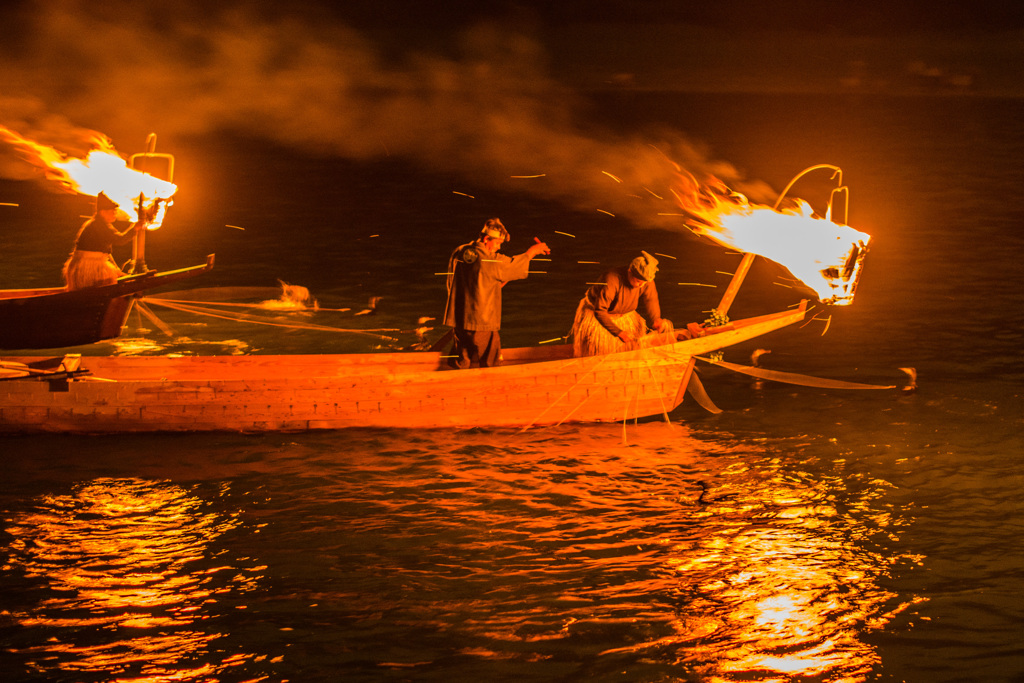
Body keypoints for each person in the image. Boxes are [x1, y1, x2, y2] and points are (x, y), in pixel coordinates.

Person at [443, 218, 550, 368]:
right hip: (482, 323)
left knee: (461, 361)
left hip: (460, 321)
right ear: (487, 239)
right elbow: (511, 266)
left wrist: (498, 281)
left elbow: (469, 282)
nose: (499, 248)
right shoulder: (488, 259)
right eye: (498, 243)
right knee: (491, 363)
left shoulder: (460, 252)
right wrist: (531, 252)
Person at [570, 250, 679, 357]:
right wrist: (619, 332)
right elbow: (600, 311)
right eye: (637, 281)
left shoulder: (646, 280)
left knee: (633, 352)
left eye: (644, 282)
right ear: (630, 271)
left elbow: (651, 299)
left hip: (625, 316)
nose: (640, 285)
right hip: (600, 317)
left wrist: (656, 319)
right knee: (601, 355)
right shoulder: (612, 280)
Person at [62, 192, 146, 290]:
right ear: (102, 212)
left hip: (86, 264)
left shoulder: (98, 224)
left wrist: (117, 270)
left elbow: (105, 253)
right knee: (108, 287)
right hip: (88, 268)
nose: (115, 213)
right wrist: (135, 228)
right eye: (112, 211)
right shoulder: (99, 225)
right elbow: (120, 240)